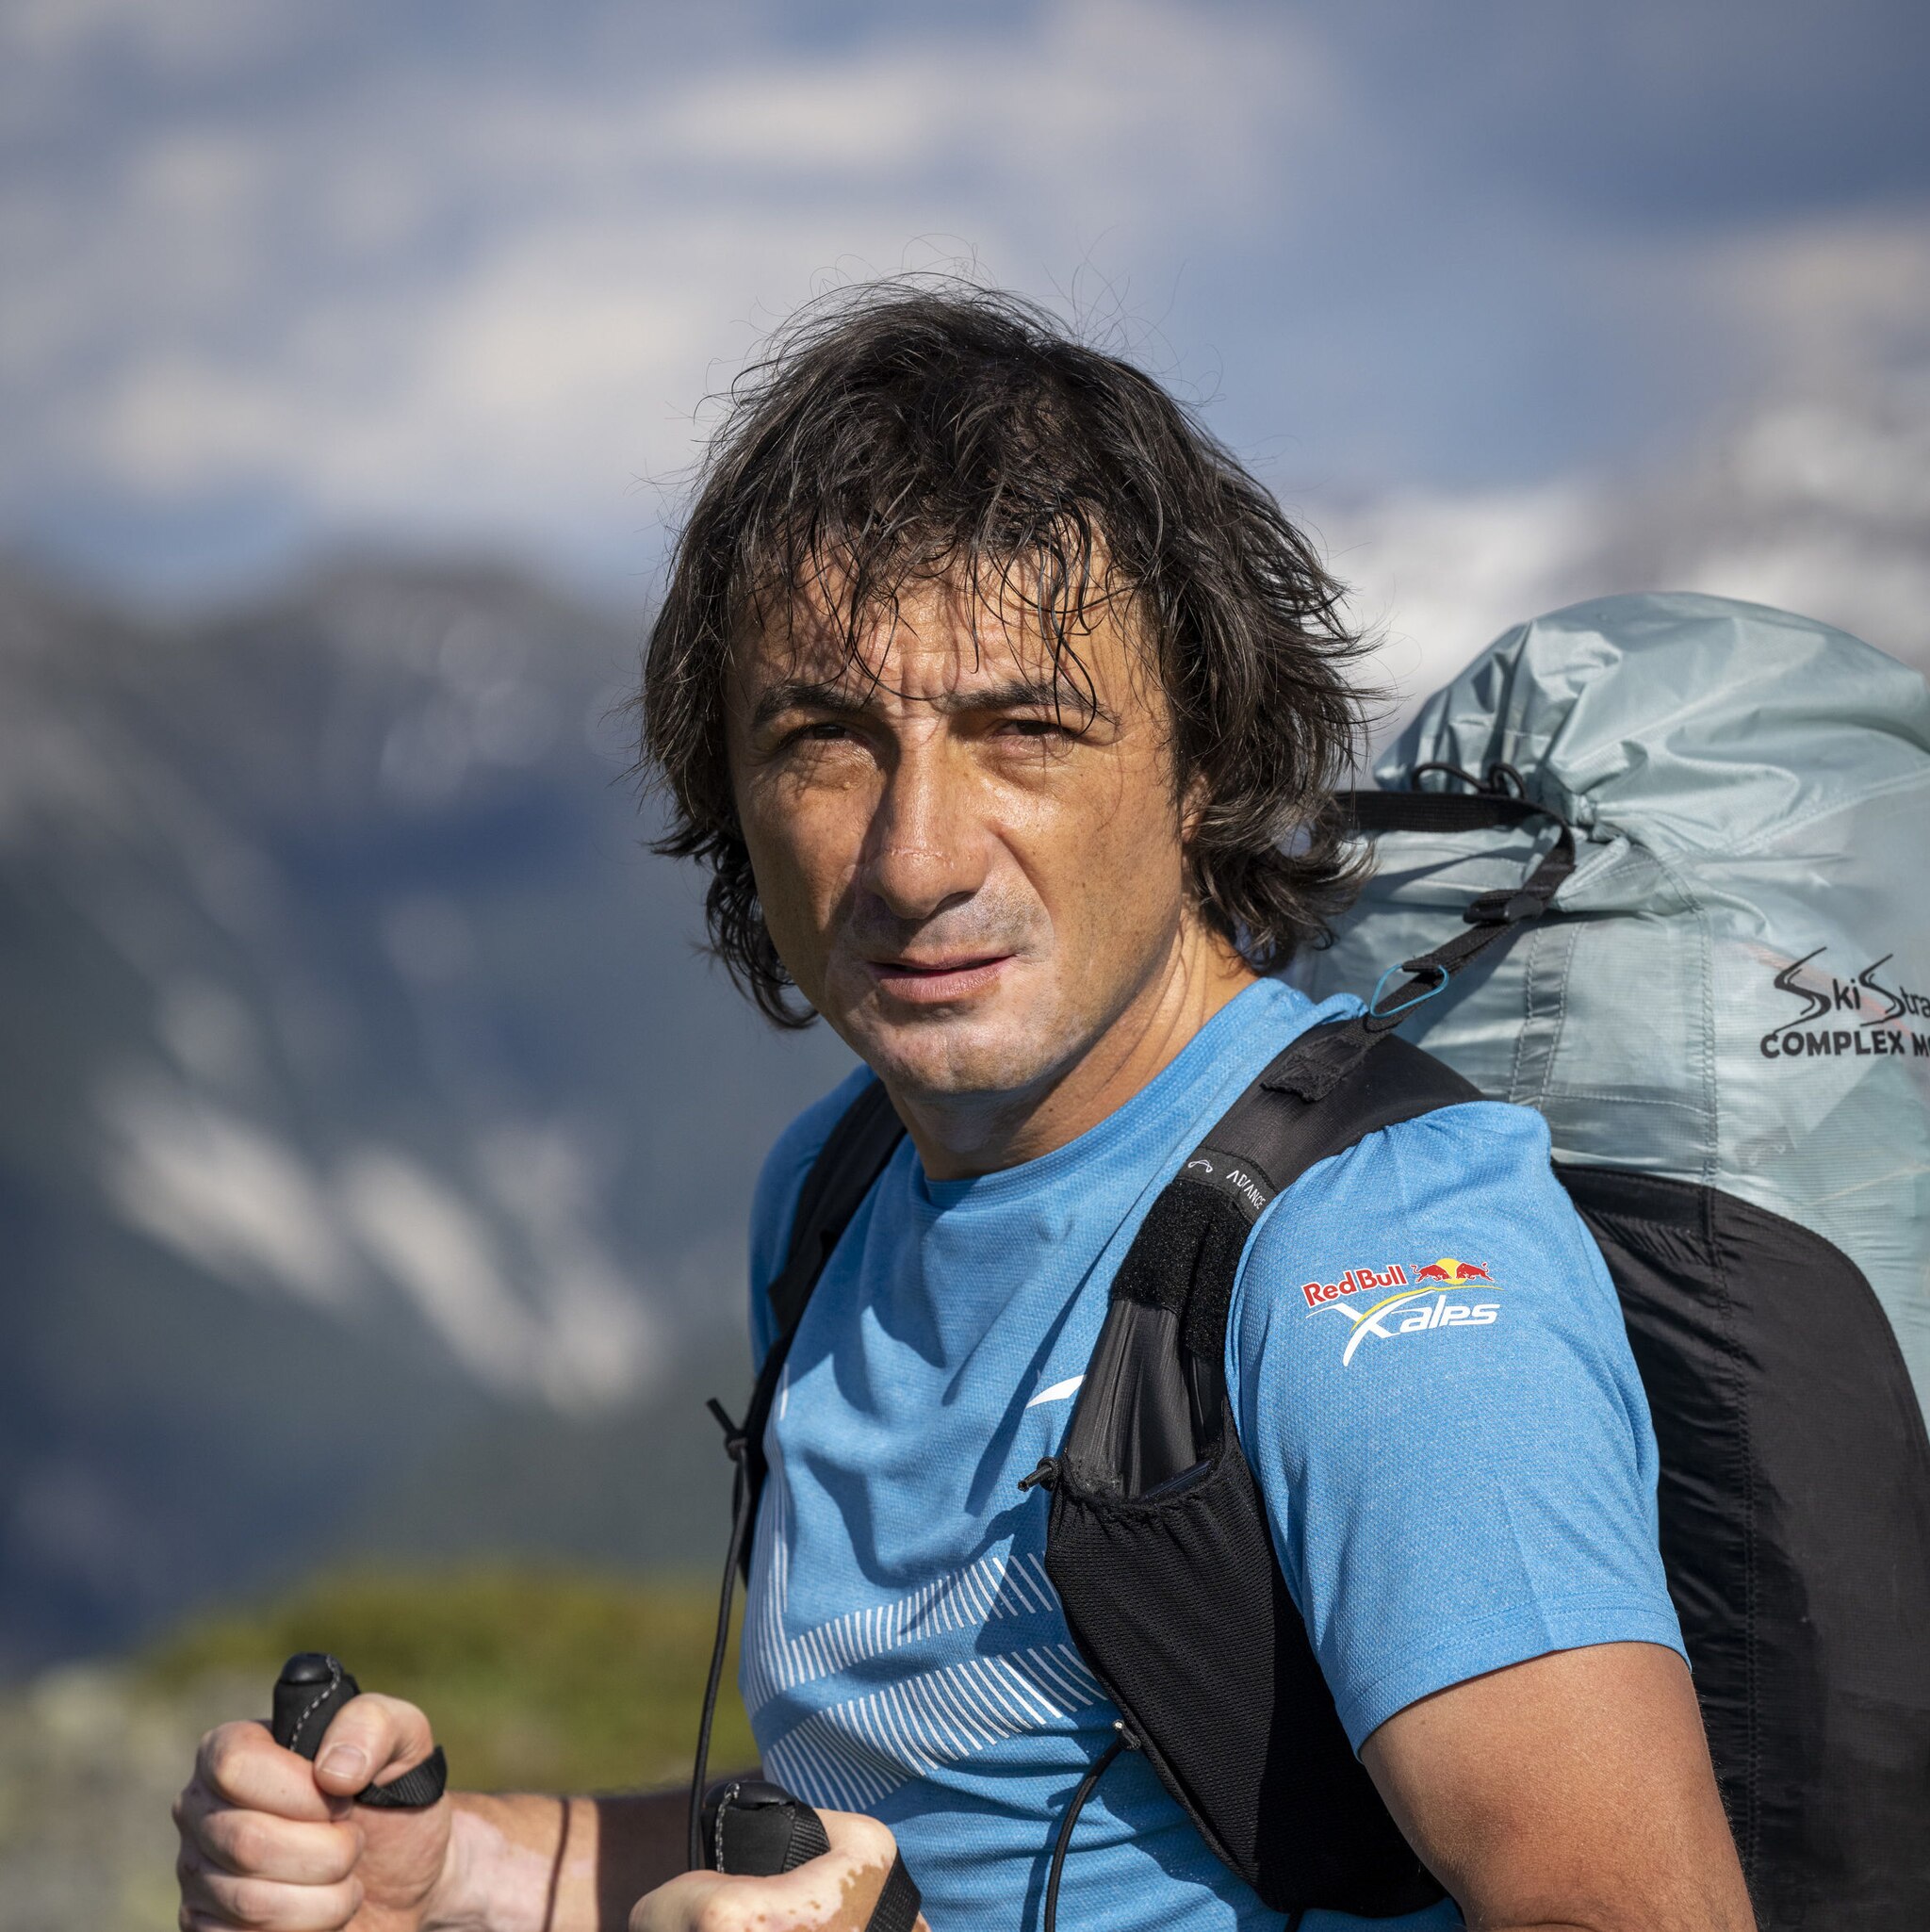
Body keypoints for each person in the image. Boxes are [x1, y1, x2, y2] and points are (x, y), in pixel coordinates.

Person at [173, 286, 1756, 1932]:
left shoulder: (1382, 1262)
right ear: (730, 784)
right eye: (825, 739)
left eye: (1026, 732)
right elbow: (905, 1825)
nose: (917, 855)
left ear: (1200, 758)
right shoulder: (837, 1187)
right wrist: (458, 1866)